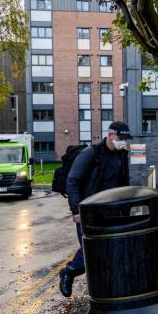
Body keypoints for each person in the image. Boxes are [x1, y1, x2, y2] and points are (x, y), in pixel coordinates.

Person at [59, 121, 132, 297]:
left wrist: (126, 210)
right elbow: (73, 181)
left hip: (112, 211)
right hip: (89, 211)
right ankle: (69, 272)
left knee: (109, 251)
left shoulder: (122, 155)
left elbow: (123, 183)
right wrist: (76, 210)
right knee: (91, 250)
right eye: (122, 138)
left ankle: (107, 291)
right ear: (111, 135)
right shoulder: (91, 154)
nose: (124, 142)